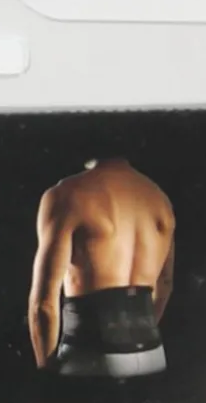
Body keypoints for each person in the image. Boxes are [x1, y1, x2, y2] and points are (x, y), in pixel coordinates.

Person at [29, 157, 175, 377]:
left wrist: (45, 373)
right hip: (153, 355)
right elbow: (165, 283)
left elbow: (43, 305)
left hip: (90, 357)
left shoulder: (68, 194)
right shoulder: (159, 199)